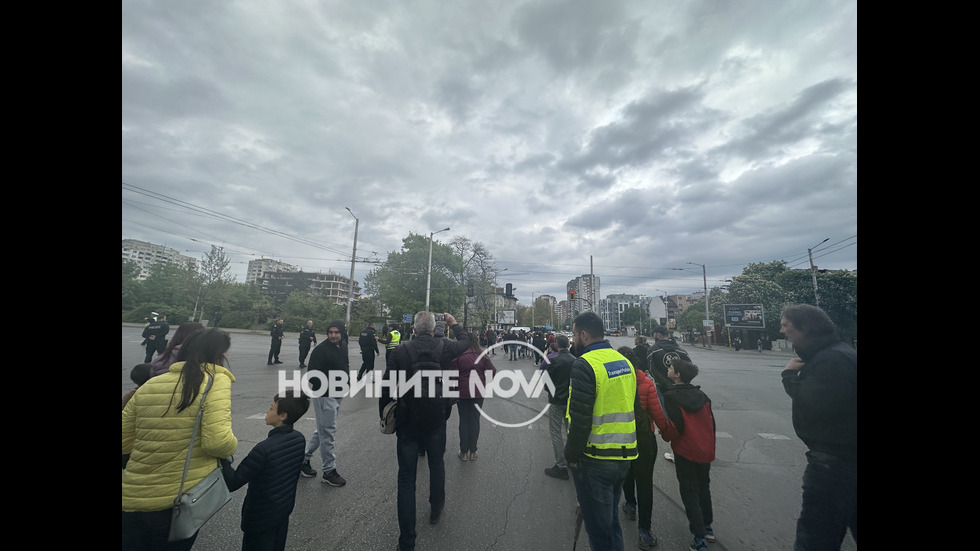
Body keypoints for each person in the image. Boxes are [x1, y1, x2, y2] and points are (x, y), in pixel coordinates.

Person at [122, 328, 238, 551]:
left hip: (133, 497)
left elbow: (124, 441)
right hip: (177, 501)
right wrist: (233, 446)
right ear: (217, 355)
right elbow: (218, 442)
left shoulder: (150, 384)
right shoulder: (215, 381)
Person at [379, 312, 470, 551]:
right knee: (436, 463)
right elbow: (467, 342)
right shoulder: (446, 347)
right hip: (437, 417)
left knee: (406, 479)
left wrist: (385, 415)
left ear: (414, 330)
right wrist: (454, 323)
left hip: (408, 420)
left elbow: (387, 386)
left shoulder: (400, 352)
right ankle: (436, 507)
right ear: (433, 329)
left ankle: (407, 540)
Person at [779, 304, 857, 550]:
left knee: (816, 537)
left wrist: (789, 376)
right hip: (840, 460)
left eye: (785, 325)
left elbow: (814, 405)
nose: (782, 331)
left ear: (805, 327)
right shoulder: (835, 354)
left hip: (835, 464)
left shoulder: (833, 359)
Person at [564, 311, 638, 551]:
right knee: (611, 523)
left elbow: (581, 419)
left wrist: (571, 456)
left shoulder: (585, 365)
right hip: (624, 456)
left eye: (574, 334)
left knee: (598, 530)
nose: (573, 340)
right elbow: (632, 404)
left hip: (596, 458)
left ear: (584, 335)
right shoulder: (623, 361)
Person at [221, 391, 310, 551]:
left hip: (259, 518)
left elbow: (233, 482)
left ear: (282, 415)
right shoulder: (299, 439)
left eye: (271, 408)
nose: (267, 412)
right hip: (282, 512)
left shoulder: (263, 450)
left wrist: (222, 457)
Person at [659, 358, 717, 551]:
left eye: (671, 368)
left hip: (685, 449)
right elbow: (711, 424)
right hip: (704, 449)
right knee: (703, 486)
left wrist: (665, 435)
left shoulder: (671, 396)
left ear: (677, 375)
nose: (668, 369)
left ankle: (698, 537)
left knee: (688, 490)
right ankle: (708, 527)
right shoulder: (702, 395)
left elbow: (675, 427)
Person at [617, 347, 670, 550]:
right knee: (645, 482)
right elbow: (659, 414)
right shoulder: (647, 383)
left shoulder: (616, 382)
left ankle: (630, 505)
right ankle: (644, 531)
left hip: (622, 436)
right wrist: (668, 434)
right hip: (644, 439)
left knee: (627, 474)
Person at [298, 320, 348, 487]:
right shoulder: (321, 350)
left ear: (342, 333)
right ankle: (328, 470)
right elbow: (312, 375)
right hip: (325, 395)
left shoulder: (342, 346)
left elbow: (344, 366)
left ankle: (303, 460)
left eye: (336, 332)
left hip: (337, 394)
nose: (333, 335)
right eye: (330, 332)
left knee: (322, 430)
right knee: (328, 432)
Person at [453, 331, 497, 462]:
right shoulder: (483, 355)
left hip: (462, 392)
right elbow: (492, 371)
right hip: (478, 392)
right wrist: (485, 382)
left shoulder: (459, 355)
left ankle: (463, 451)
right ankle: (473, 450)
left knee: (464, 421)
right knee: (474, 420)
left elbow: (452, 374)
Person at [542, 335, 574, 480]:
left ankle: (560, 465)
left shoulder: (553, 360)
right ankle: (572, 460)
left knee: (555, 432)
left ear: (557, 345)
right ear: (568, 345)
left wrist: (553, 393)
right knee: (570, 431)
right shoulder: (576, 360)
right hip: (571, 402)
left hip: (556, 401)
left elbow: (546, 383)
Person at [646, 325, 690, 390]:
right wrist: (682, 383)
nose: (653, 336)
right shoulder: (681, 351)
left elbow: (652, 370)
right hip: (680, 388)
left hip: (661, 388)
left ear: (658, 335)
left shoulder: (652, 351)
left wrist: (667, 385)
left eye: (654, 334)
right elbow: (689, 368)